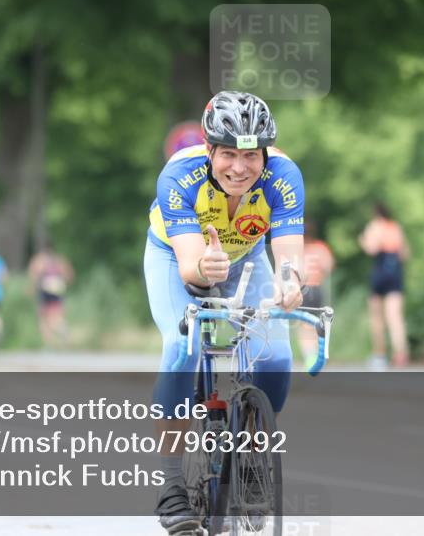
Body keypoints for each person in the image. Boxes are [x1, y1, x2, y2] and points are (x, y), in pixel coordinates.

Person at [145, 91, 304, 533]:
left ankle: (253, 457)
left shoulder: (285, 176)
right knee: (182, 345)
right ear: (210, 149)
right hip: (178, 257)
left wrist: (290, 282)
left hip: (247, 259)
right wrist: (202, 269)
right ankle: (172, 485)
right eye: (229, 154)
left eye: (251, 155)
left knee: (275, 357)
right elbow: (193, 270)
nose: (240, 167)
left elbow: (289, 255)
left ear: (265, 153)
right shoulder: (179, 175)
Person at [359, 202, 410, 369]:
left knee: (377, 317)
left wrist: (363, 240)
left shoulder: (375, 226)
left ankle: (379, 355)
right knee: (395, 317)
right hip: (395, 272)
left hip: (380, 271)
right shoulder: (395, 227)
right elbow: (405, 253)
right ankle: (400, 354)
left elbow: (372, 249)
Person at [296, 221, 335, 368]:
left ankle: (310, 356)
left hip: (303, 289)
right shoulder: (320, 247)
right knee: (317, 323)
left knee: (303, 324)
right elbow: (328, 266)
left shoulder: (297, 248)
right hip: (317, 288)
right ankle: (319, 352)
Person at [27, 242, 75, 347]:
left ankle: (48, 343)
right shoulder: (59, 260)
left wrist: (31, 289)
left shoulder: (39, 260)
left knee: (43, 318)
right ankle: (62, 329)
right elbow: (69, 275)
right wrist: (63, 283)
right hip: (58, 289)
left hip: (44, 290)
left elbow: (34, 276)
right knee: (57, 315)